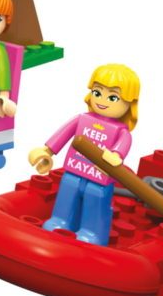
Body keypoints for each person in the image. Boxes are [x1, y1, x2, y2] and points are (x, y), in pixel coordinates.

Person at [28, 63, 140, 245]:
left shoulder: (121, 131)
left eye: (113, 97)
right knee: (68, 190)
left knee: (95, 197)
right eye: (97, 93)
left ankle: (92, 232)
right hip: (75, 170)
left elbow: (121, 148)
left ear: (130, 104)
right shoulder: (82, 119)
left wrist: (116, 156)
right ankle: (61, 221)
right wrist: (47, 151)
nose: (102, 101)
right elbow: (63, 134)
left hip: (99, 178)